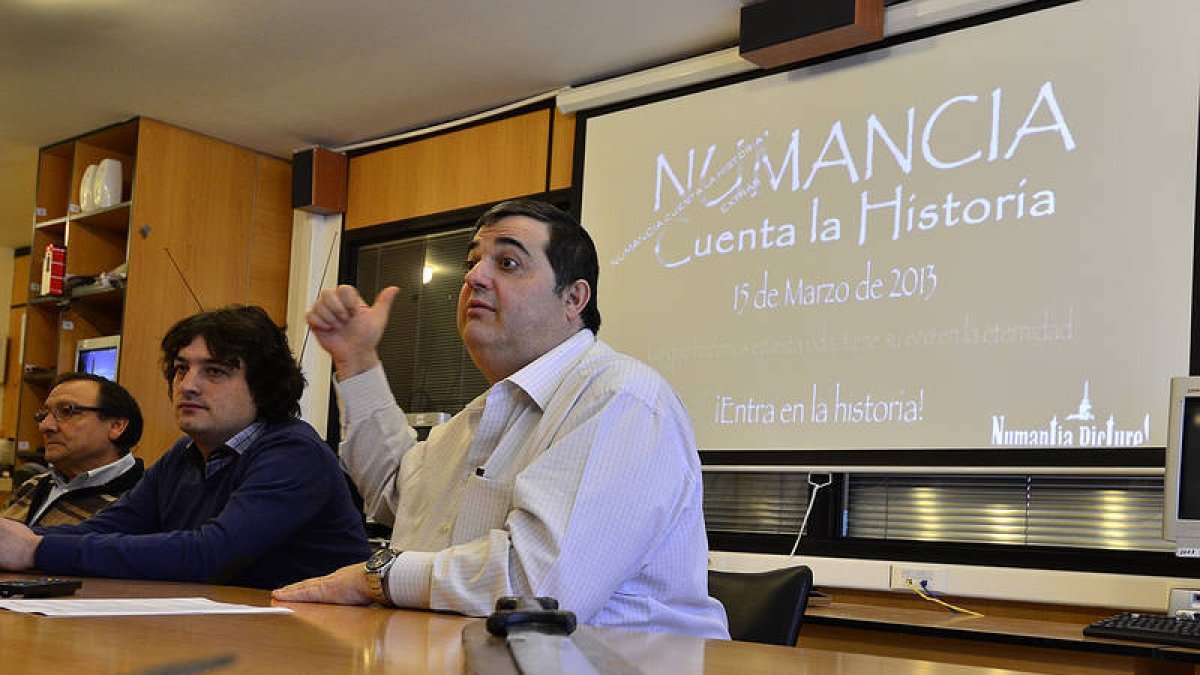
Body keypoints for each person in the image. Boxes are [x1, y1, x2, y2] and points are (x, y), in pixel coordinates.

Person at [274, 199, 728, 638]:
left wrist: (376, 576)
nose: (473, 276)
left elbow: (539, 589)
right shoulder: (487, 410)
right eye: (474, 261)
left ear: (573, 298)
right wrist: (355, 359)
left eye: (507, 263)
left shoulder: (619, 396)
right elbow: (399, 492)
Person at [0, 305, 371, 589]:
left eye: (215, 371)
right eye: (181, 369)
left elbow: (211, 554)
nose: (188, 385)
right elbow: (111, 527)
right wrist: (16, 538)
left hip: (321, 643)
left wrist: (36, 549)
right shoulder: (183, 455)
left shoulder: (293, 452)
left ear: (263, 386)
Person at [2, 373, 144, 527]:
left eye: (67, 411)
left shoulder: (139, 503)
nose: (45, 426)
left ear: (116, 426)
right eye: (44, 414)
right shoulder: (33, 485)